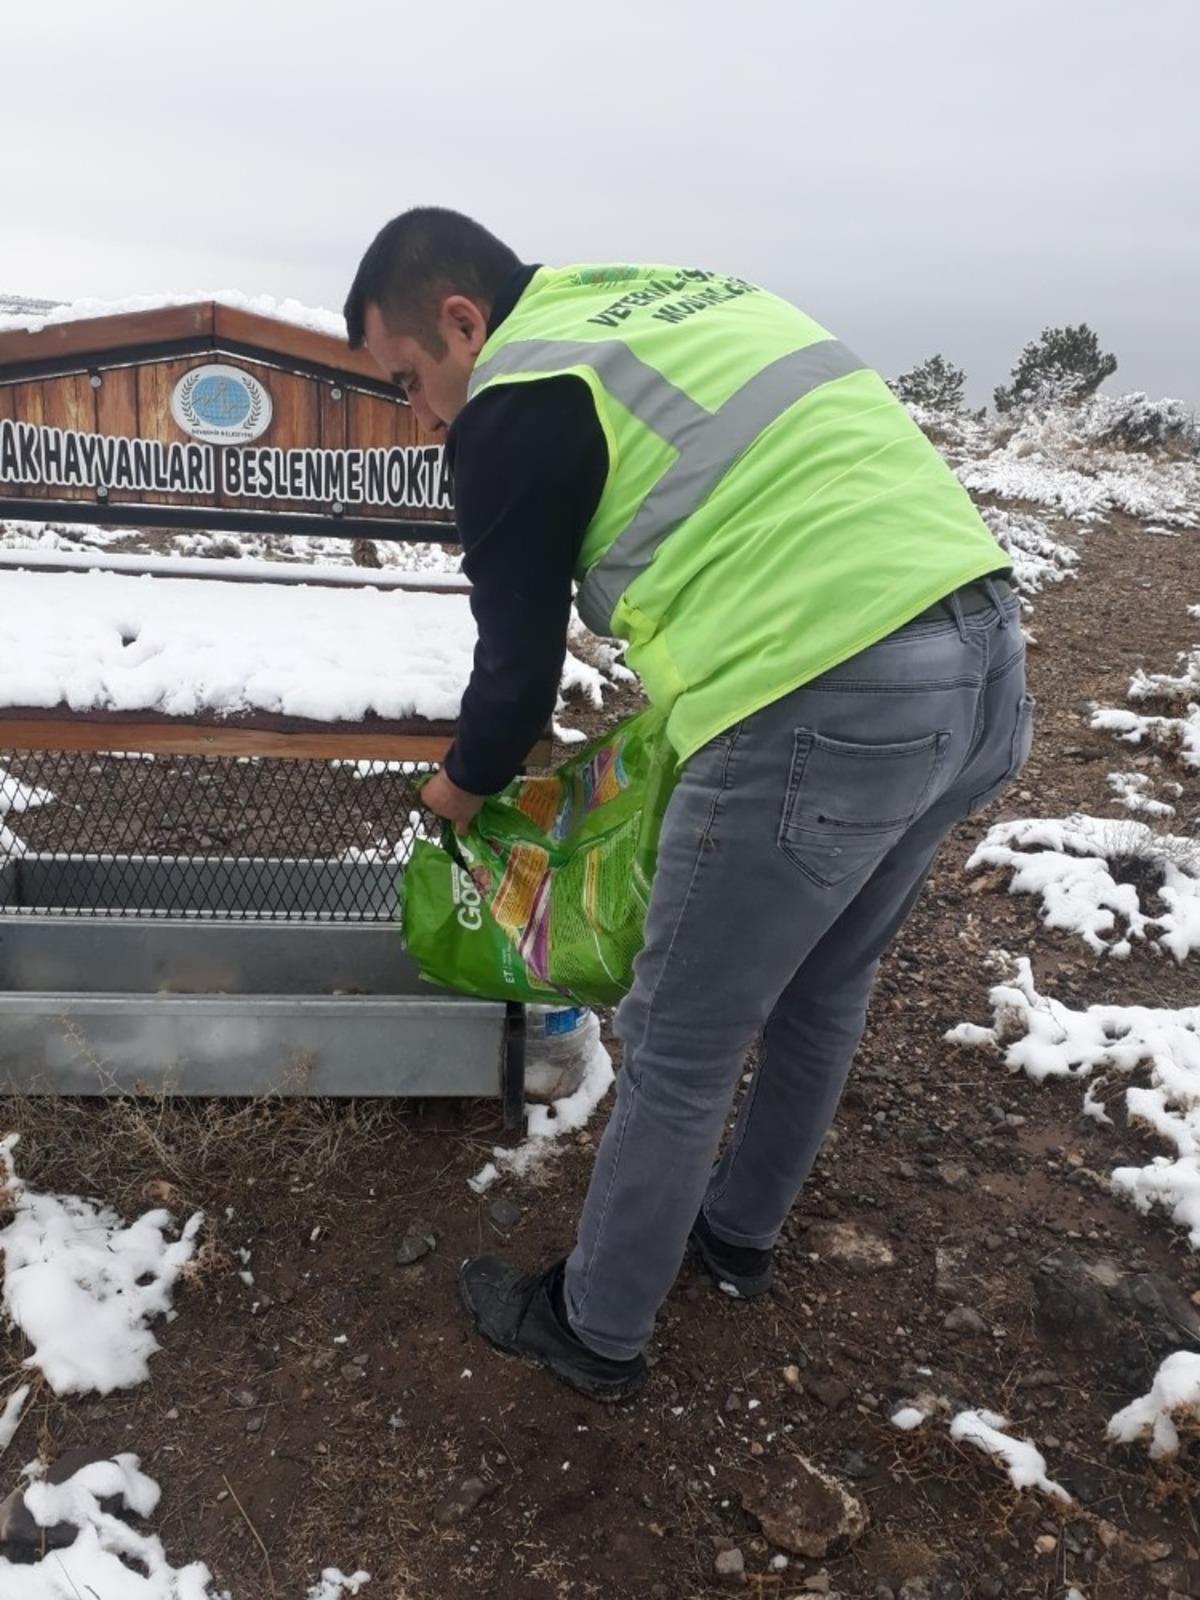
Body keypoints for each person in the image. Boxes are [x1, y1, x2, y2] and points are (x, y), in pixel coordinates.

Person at [345, 208, 1031, 1402]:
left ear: (462, 320)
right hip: (984, 665)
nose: (419, 413)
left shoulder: (514, 396)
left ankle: (595, 1325)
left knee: (676, 1041)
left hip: (821, 692)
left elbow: (514, 676)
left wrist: (453, 792)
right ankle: (736, 1237)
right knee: (824, 985)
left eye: (408, 380)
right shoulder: (657, 297)